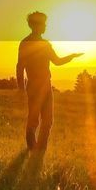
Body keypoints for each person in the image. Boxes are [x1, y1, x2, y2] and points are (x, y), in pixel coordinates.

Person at [16, 11, 82, 151]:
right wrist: (21, 89)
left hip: (43, 86)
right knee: (38, 121)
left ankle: (38, 150)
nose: (45, 26)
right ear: (36, 25)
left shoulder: (29, 43)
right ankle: (34, 149)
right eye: (43, 23)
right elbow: (20, 66)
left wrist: (71, 56)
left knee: (45, 120)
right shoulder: (35, 44)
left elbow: (55, 61)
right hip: (36, 86)